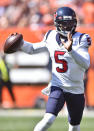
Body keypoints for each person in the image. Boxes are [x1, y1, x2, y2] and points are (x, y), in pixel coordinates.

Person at [9, 6, 91, 131]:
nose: (68, 27)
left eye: (70, 23)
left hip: (76, 89)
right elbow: (32, 49)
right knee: (48, 119)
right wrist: (21, 44)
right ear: (57, 24)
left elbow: (85, 63)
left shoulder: (81, 38)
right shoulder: (51, 36)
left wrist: (71, 51)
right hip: (58, 86)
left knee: (74, 126)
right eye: (64, 24)